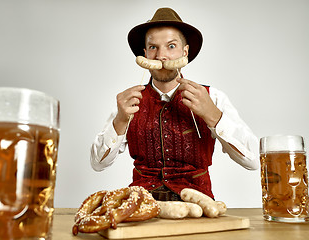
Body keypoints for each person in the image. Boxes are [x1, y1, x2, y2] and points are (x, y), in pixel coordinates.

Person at [90, 8, 258, 201]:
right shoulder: (129, 102)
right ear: (144, 53)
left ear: (184, 51)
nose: (162, 56)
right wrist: (120, 121)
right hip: (142, 204)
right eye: (153, 47)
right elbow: (97, 164)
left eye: (171, 46)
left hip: (197, 205)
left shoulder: (212, 97)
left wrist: (213, 115)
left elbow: (253, 161)